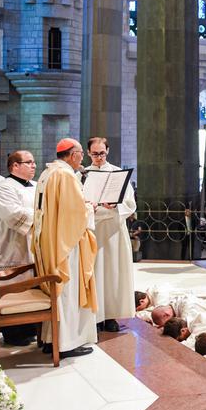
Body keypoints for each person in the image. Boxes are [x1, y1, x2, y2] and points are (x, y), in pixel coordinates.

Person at [32, 138, 98, 358]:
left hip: (51, 240)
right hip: (66, 244)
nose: (82, 157)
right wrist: (91, 207)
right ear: (72, 154)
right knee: (67, 290)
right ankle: (66, 343)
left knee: (59, 291)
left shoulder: (48, 172)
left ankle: (52, 340)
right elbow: (74, 213)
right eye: (81, 153)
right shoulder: (66, 175)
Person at [0, 150, 39, 346]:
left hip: (32, 244)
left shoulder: (36, 186)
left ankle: (31, 327)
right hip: (11, 246)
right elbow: (14, 215)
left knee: (31, 284)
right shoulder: (4, 188)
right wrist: (43, 216)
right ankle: (13, 332)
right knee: (14, 286)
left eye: (34, 162)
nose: (34, 165)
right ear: (15, 166)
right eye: (29, 162)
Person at [85, 137, 136, 332]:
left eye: (102, 153)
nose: (99, 157)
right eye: (95, 154)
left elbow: (130, 203)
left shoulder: (117, 173)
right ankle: (95, 316)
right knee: (95, 273)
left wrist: (116, 205)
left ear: (107, 151)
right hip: (92, 229)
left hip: (114, 229)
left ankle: (111, 315)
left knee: (113, 273)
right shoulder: (82, 175)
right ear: (88, 153)